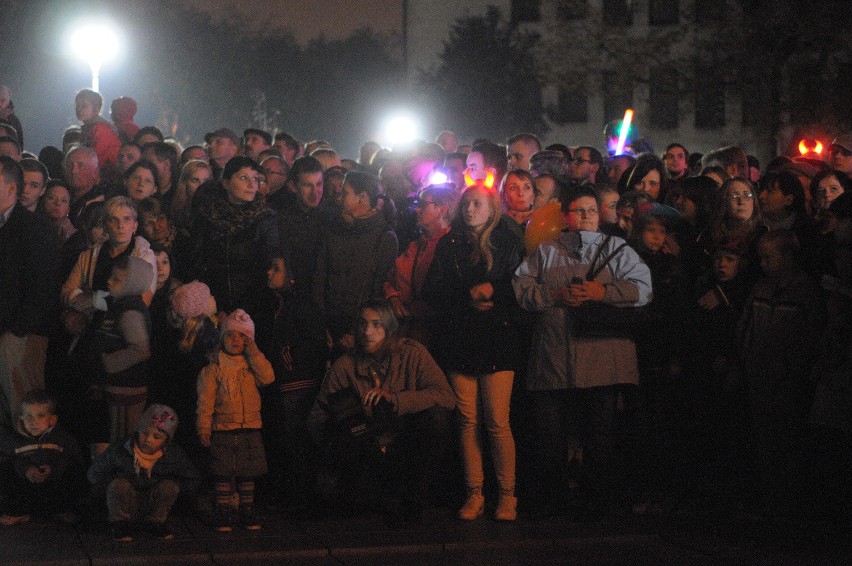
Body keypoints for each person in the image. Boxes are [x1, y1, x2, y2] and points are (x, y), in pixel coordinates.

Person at [512, 184, 652, 516]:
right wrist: (555, 296)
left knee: (599, 436)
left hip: (601, 358)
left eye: (591, 210)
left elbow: (644, 289)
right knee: (550, 438)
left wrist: (602, 292)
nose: (586, 216)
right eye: (579, 210)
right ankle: (553, 502)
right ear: (565, 216)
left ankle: (598, 502)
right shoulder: (546, 250)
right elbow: (521, 287)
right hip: (554, 358)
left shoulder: (618, 249)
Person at [425, 179, 525, 521]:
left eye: (477, 204)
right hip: (461, 337)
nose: (470, 209)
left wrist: (494, 291)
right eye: (466, 203)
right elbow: (433, 291)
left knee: (497, 421)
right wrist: (467, 297)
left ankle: (507, 495)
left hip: (498, 337)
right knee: (467, 420)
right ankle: (474, 492)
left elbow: (522, 286)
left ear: (492, 208)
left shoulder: (508, 242)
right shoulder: (448, 244)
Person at [307, 299, 455, 522]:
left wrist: (396, 400)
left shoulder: (412, 354)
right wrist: (350, 432)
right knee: (332, 493)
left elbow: (446, 397)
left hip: (404, 443)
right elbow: (316, 418)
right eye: (363, 324)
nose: (367, 331)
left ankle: (412, 499)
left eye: (376, 325)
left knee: (436, 418)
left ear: (389, 328)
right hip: (366, 448)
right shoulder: (345, 365)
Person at [738, 229, 824, 517]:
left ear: (788, 256)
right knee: (766, 444)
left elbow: (812, 337)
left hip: (790, 382)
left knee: (789, 444)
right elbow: (746, 329)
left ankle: (790, 506)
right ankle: (771, 502)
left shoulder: (806, 292)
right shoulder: (760, 289)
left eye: (768, 257)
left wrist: (796, 368)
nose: (762, 264)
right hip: (760, 379)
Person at [245, 255, 327, 509]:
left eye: (276, 268)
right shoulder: (273, 305)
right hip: (280, 384)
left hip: (297, 384)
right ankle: (286, 494)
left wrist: (289, 359)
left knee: (294, 441)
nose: (269, 272)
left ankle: (300, 498)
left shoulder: (302, 307)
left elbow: (315, 345)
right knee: (282, 438)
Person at [197, 309, 274, 532]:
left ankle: (246, 510)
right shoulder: (214, 368)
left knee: (248, 470)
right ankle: (223, 511)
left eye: (242, 336)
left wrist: (255, 352)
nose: (236, 340)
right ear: (222, 339)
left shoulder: (252, 364)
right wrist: (203, 425)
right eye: (230, 335)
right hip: (223, 427)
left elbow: (268, 377)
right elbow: (205, 400)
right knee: (222, 470)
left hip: (250, 426)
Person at [0, 156, 59, 428]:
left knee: (23, 414)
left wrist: (16, 332)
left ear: (11, 187)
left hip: (20, 339)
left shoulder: (36, 229)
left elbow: (43, 287)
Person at [313, 170, 398, 358]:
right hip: (329, 325)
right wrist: (321, 325)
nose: (339, 196)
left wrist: (357, 332)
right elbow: (320, 279)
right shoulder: (334, 230)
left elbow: (378, 289)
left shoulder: (384, 237)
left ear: (362, 197)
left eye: (346, 193)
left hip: (362, 330)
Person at [87, 404, 200, 542]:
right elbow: (94, 474)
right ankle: (120, 524)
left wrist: (172, 490)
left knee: (170, 486)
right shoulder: (120, 450)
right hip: (126, 501)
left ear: (166, 441)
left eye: (156, 436)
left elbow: (192, 479)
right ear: (138, 430)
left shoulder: (174, 455)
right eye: (145, 433)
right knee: (119, 484)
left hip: (153, 503)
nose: (148, 440)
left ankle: (154, 523)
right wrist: (112, 487)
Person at [186, 156, 279, 312]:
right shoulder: (208, 214)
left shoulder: (265, 220)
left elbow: (268, 268)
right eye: (243, 178)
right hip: (213, 304)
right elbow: (197, 260)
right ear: (226, 183)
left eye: (255, 179)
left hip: (253, 307)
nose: (252, 185)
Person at [88, 256, 154, 444]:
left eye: (117, 279)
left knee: (122, 440)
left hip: (126, 390)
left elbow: (140, 350)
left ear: (132, 285)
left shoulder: (130, 312)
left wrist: (106, 363)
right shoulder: (119, 306)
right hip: (116, 386)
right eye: (111, 276)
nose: (109, 281)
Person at [0, 389, 85, 526]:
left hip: (53, 486)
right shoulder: (14, 441)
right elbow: (8, 461)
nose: (34, 421)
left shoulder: (62, 439)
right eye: (28, 416)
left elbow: (74, 459)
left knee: (74, 472)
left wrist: (53, 468)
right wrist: (26, 469)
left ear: (52, 420)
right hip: (26, 488)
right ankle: (17, 511)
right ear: (21, 417)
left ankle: (63, 509)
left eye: (40, 415)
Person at [384, 183, 454, 347]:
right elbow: (391, 278)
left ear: (442, 209)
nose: (417, 209)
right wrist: (392, 297)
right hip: (404, 331)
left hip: (432, 337)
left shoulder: (451, 248)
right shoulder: (416, 245)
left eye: (423, 205)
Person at [75, 89, 121, 184]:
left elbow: (97, 158)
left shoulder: (100, 128)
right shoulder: (88, 127)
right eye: (77, 106)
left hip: (107, 179)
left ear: (96, 109)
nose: (79, 110)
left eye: (84, 106)